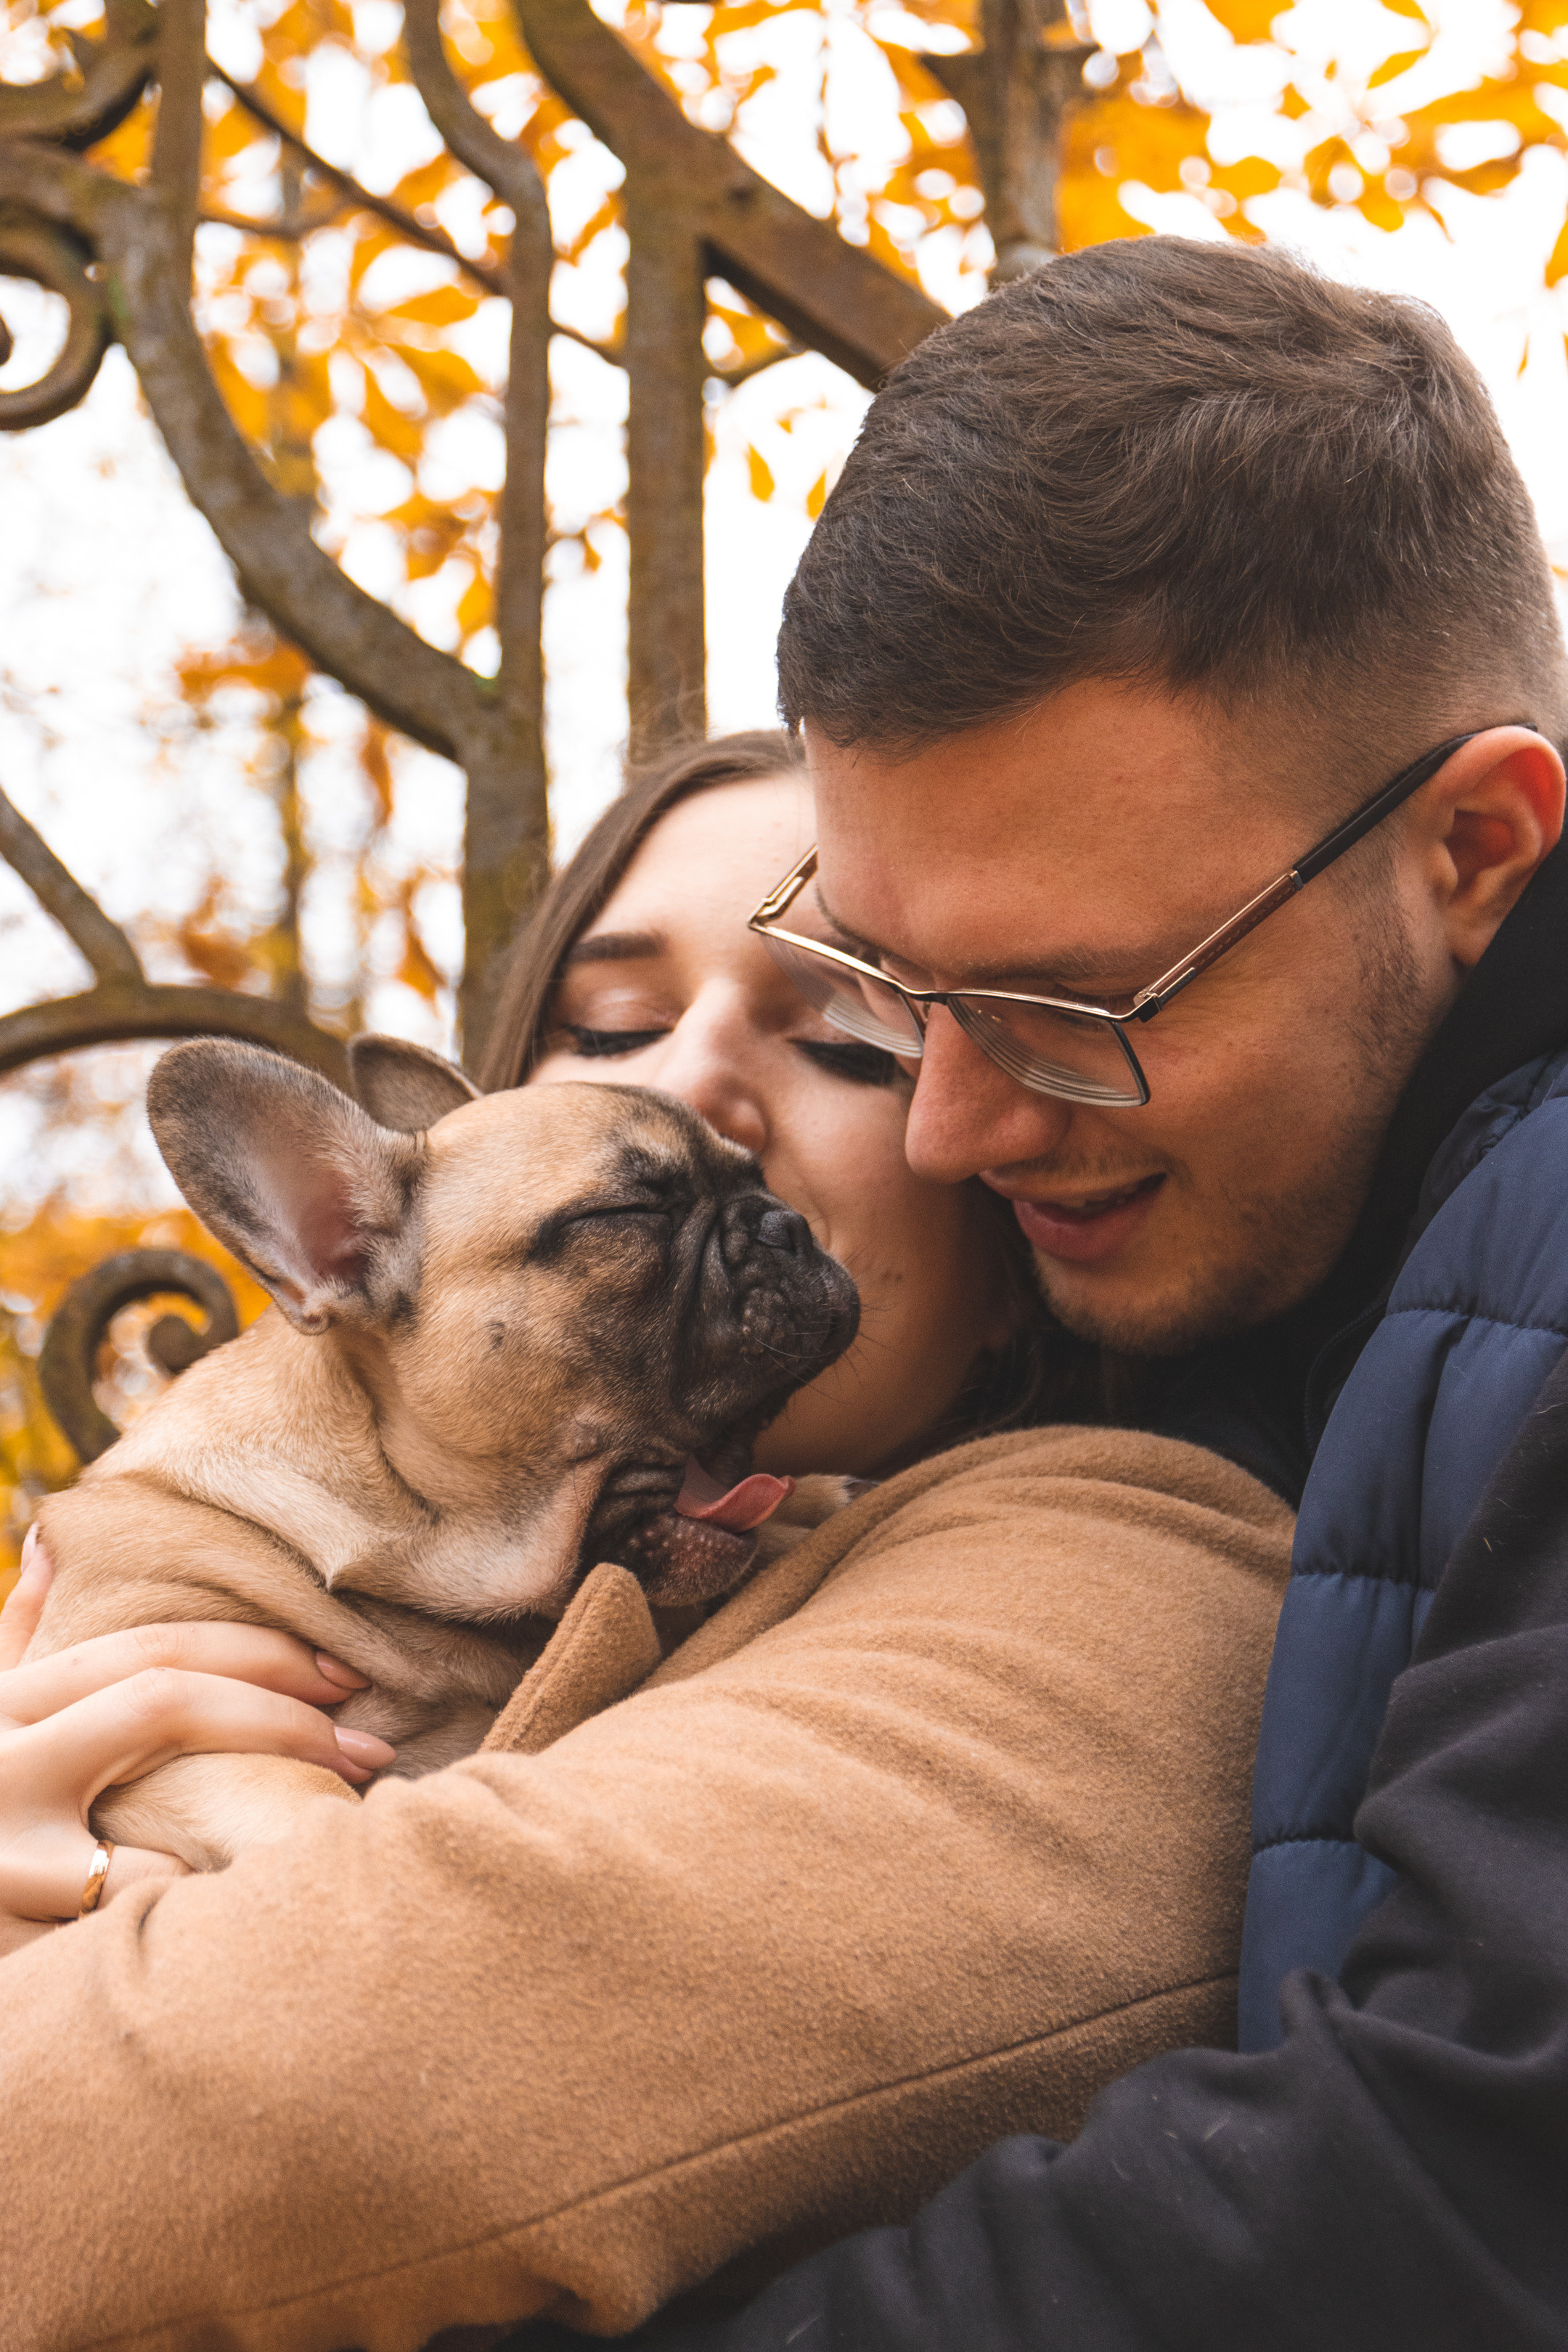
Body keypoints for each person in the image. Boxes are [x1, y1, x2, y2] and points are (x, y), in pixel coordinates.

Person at [504, 237, 1568, 2348]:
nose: (948, 1130)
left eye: (1075, 1006)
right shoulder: (1257, 1293)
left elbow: (1459, 2198)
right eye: (899, 995)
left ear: (1472, 847)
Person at [0, 729, 1294, 2346]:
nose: (685, 1089)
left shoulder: (1119, 1565)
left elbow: (328, 2080)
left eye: (849, 1037)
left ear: (1003, 1163)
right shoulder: (211, 1534)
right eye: (606, 1029)